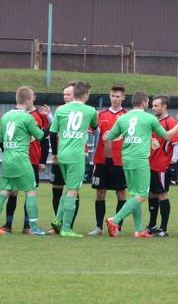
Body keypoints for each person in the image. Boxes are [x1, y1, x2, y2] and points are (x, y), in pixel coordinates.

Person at [106, 91, 178, 238]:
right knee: (142, 195)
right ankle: (115, 219)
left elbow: (110, 137)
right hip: (140, 159)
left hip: (126, 159)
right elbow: (168, 136)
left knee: (135, 194)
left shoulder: (123, 118)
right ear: (144, 103)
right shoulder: (150, 118)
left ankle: (138, 230)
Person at [0, 86, 48, 235]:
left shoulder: (6, 116)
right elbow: (40, 136)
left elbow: (0, 140)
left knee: (3, 192)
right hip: (22, 160)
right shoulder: (27, 117)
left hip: (8, 161)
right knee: (31, 191)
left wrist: (9, 151)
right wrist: (53, 124)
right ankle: (33, 228)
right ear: (28, 100)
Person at [51, 81, 98, 237]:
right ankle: (66, 228)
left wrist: (55, 153)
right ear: (85, 95)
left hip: (62, 154)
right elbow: (96, 129)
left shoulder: (61, 110)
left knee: (67, 188)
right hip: (76, 156)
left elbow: (52, 133)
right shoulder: (91, 110)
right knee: (73, 190)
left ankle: (58, 220)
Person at [3, 88, 51, 233]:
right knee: (13, 192)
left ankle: (27, 226)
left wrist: (42, 160)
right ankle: (8, 224)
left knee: (29, 191)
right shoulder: (13, 115)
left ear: (33, 98)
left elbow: (44, 140)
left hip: (33, 160)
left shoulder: (39, 115)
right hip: (17, 159)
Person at [88, 84, 127, 235]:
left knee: (121, 193)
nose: (115, 99)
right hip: (101, 160)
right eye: (112, 96)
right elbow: (93, 132)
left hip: (120, 161)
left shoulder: (127, 115)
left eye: (118, 96)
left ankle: (117, 226)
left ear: (123, 97)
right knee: (100, 193)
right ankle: (99, 226)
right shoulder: (100, 115)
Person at [146, 95, 178, 237]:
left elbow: (177, 143)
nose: (153, 108)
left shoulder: (170, 122)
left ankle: (163, 228)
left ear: (164, 107)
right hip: (150, 164)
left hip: (162, 165)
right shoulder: (153, 121)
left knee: (162, 194)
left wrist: (172, 162)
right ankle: (152, 225)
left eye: (156, 105)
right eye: (153, 105)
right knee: (151, 194)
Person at [48, 81, 81, 231]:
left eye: (68, 94)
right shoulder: (61, 109)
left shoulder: (83, 110)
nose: (65, 97)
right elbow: (54, 132)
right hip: (61, 155)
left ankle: (69, 224)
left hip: (74, 155)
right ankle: (58, 224)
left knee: (73, 190)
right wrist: (54, 153)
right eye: (64, 95)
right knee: (58, 188)